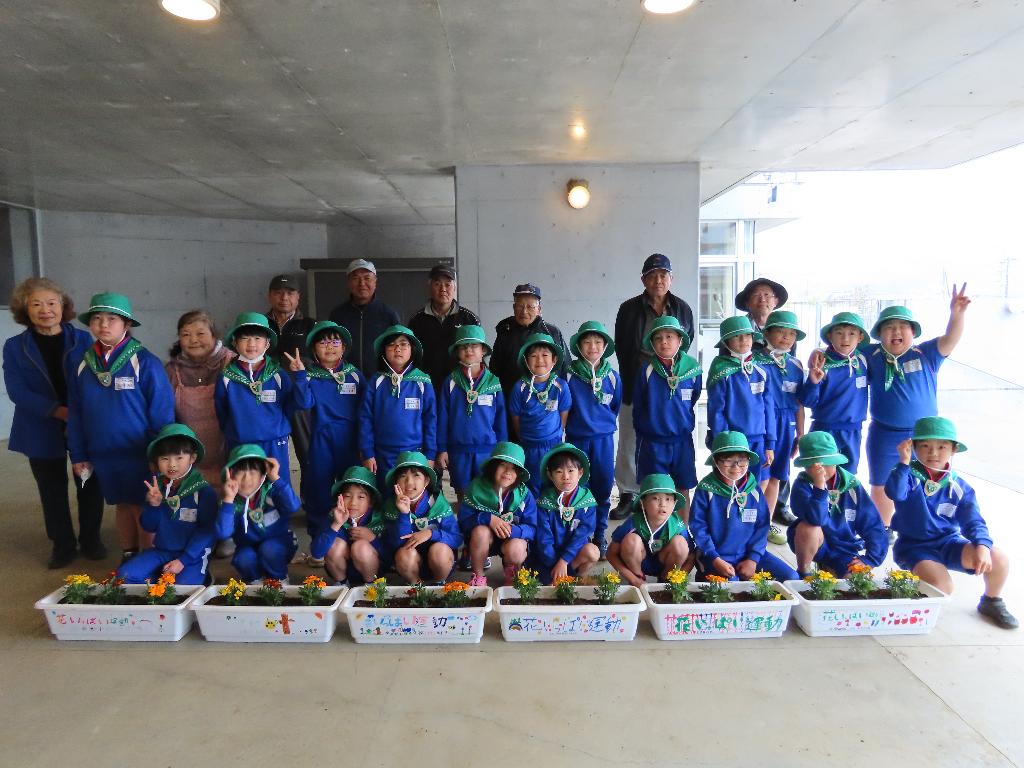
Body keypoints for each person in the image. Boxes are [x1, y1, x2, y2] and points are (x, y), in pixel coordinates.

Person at [3, 278, 105, 568]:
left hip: (84, 423)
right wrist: (59, 412)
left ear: (63, 307)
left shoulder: (84, 340)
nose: (45, 310)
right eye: (36, 304)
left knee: (90, 483)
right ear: (25, 309)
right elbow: (17, 391)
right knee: (51, 489)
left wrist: (80, 414)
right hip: (40, 425)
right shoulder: (15, 346)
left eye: (51, 303)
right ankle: (62, 545)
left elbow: (98, 380)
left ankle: (91, 539)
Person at [68, 292, 175, 563]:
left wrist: (159, 454)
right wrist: (79, 454)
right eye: (97, 318)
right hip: (103, 453)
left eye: (112, 319)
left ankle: (150, 558)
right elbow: (76, 413)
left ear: (126, 324)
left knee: (144, 505)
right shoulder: (84, 363)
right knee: (122, 504)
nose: (103, 324)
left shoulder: (145, 362)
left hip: (139, 453)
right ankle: (129, 552)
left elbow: (162, 413)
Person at [886, 417, 1016, 629]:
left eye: (942, 447)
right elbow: (895, 493)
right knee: (942, 587)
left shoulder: (958, 486)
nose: (933, 453)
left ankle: (991, 601)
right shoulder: (906, 475)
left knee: (998, 558)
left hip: (949, 543)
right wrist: (903, 462)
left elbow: (974, 520)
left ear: (954, 449)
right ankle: (910, 598)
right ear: (913, 447)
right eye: (925, 446)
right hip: (914, 547)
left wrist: (982, 545)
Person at [865, 285, 970, 539]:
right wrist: (818, 353)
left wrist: (957, 314)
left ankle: (926, 527)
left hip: (925, 435)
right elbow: (841, 350)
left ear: (913, 332)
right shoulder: (870, 354)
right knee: (881, 482)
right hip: (884, 433)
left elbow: (951, 338)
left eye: (903, 326)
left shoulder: (927, 353)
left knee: (928, 480)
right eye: (889, 327)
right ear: (879, 334)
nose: (896, 332)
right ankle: (883, 529)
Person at [612, 253, 695, 520]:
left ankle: (665, 495)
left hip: (669, 382)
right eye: (652, 275)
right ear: (643, 280)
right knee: (630, 439)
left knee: (664, 442)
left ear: (671, 278)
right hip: (637, 380)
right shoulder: (629, 309)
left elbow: (686, 342)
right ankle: (628, 494)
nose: (658, 280)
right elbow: (622, 347)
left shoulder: (682, 308)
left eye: (663, 275)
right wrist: (636, 377)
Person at [688, 431, 798, 582]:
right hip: (715, 557)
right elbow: (698, 527)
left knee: (791, 578)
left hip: (748, 554)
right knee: (733, 587)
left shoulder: (754, 489)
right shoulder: (706, 490)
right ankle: (705, 575)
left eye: (742, 460)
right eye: (728, 460)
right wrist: (715, 558)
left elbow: (762, 526)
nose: (736, 467)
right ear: (715, 460)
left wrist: (753, 558)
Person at [214, 312, 311, 482]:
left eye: (258, 338)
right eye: (245, 338)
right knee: (245, 490)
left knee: (277, 488)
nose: (252, 344)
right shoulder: (227, 377)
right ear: (235, 342)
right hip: (241, 445)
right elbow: (222, 413)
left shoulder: (278, 374)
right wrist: (237, 432)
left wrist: (301, 377)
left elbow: (301, 404)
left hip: (275, 443)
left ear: (267, 343)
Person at [117, 424, 218, 585]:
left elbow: (208, 532)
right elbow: (149, 527)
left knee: (181, 590)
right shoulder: (156, 488)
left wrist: (183, 560)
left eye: (179, 458)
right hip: (162, 550)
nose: (172, 465)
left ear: (192, 458)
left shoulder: (204, 492)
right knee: (125, 576)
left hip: (192, 555)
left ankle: (198, 575)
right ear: (157, 461)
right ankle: (163, 578)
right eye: (165, 458)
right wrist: (154, 505)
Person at [788, 431, 886, 577]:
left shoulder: (852, 485)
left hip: (844, 549)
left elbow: (872, 523)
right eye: (811, 465)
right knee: (809, 528)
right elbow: (817, 519)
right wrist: (819, 488)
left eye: (824, 463)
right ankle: (804, 572)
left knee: (855, 580)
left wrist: (871, 559)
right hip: (814, 543)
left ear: (835, 461)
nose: (819, 469)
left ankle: (832, 567)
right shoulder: (802, 484)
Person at [631, 316, 701, 516]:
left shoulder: (693, 369)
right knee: (654, 491)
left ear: (680, 340)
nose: (664, 342)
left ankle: (683, 531)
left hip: (682, 441)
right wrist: (647, 429)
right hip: (652, 442)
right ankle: (652, 531)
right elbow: (639, 404)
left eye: (669, 336)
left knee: (683, 487)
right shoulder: (646, 370)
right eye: (658, 338)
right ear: (652, 343)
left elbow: (694, 397)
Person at [300, 320, 363, 544]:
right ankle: (320, 535)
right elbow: (303, 402)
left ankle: (353, 534)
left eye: (335, 342)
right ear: (314, 349)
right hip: (321, 439)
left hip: (351, 440)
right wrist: (299, 376)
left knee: (352, 486)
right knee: (318, 486)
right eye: (323, 342)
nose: (329, 346)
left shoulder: (354, 375)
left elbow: (366, 410)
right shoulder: (310, 376)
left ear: (343, 347)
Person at [564, 321, 622, 556]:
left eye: (598, 342)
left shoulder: (613, 377)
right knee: (578, 488)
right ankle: (581, 536)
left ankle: (599, 534)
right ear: (579, 346)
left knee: (603, 486)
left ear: (605, 346)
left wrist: (601, 427)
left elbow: (615, 407)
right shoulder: (569, 375)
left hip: (603, 440)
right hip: (577, 440)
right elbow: (564, 408)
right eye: (587, 342)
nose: (592, 346)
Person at [358, 325, 437, 490]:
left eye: (403, 344)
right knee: (386, 493)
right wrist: (367, 452)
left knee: (411, 493)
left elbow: (431, 421)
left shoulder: (423, 382)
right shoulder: (376, 381)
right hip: (382, 454)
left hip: (414, 454)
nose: (397, 349)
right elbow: (365, 419)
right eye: (391, 344)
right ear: (383, 351)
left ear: (412, 349)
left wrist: (430, 454)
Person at [436, 324, 507, 500]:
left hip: (487, 451)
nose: (469, 350)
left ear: (483, 350)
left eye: (474, 346)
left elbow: (500, 421)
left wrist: (502, 451)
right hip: (458, 451)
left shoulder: (494, 383)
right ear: (457, 352)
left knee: (488, 494)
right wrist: (442, 449)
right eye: (463, 347)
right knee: (463, 495)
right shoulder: (450, 382)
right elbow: (442, 418)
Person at [165, 310, 235, 486]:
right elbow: (165, 416)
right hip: (189, 463)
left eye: (200, 333)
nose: (193, 340)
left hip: (231, 459)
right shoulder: (172, 370)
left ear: (214, 335)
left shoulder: (233, 363)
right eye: (186, 335)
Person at [705, 316, 775, 486]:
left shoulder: (761, 370)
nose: (744, 340)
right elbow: (716, 411)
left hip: (758, 439)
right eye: (737, 336)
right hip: (732, 443)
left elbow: (769, 409)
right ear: (726, 342)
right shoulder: (721, 370)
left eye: (748, 335)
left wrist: (770, 444)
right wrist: (725, 444)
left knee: (758, 484)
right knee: (730, 485)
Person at [217, 443, 300, 583]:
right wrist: (228, 500)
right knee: (243, 558)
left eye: (253, 472)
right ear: (230, 474)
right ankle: (255, 581)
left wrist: (276, 478)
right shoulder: (230, 501)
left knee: (269, 550)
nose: (247, 478)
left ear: (263, 474)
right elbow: (223, 533)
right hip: (248, 545)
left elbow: (293, 507)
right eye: (240, 472)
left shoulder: (272, 492)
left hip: (279, 542)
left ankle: (279, 579)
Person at [458, 442, 537, 587]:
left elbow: (532, 528)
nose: (507, 472)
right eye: (503, 465)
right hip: (484, 540)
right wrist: (487, 518)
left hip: (510, 539)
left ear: (519, 474)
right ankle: (478, 576)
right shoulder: (476, 488)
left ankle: (511, 574)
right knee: (480, 532)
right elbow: (463, 522)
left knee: (517, 549)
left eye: (514, 468)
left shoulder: (524, 494)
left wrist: (514, 531)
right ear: (493, 466)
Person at [800, 312, 870, 473]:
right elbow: (807, 401)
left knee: (848, 476)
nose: (845, 339)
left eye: (852, 334)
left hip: (853, 430)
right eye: (839, 333)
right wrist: (813, 382)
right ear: (829, 336)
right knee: (819, 475)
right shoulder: (821, 362)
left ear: (860, 337)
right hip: (824, 430)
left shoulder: (864, 359)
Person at [755, 310, 806, 518]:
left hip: (787, 424)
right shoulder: (755, 362)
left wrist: (800, 434)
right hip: (763, 423)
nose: (786, 337)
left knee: (777, 475)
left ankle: (766, 523)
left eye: (792, 333)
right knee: (760, 476)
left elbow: (799, 404)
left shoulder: (796, 365)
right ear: (766, 333)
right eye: (780, 331)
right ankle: (752, 524)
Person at [507, 333, 571, 497]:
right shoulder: (519, 387)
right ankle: (533, 513)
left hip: (554, 445)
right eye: (533, 356)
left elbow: (563, 415)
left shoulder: (561, 386)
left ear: (554, 360)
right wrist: (526, 438)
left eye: (545, 355)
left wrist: (554, 435)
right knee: (532, 486)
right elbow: (516, 418)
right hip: (529, 447)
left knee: (554, 486)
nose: (540, 360)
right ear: (526, 361)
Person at [382, 451, 461, 584]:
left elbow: (456, 538)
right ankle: (416, 588)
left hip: (439, 562)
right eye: (403, 476)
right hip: (411, 563)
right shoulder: (391, 506)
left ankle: (438, 584)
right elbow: (394, 544)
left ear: (426, 481)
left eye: (416, 475)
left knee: (440, 551)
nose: (409, 482)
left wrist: (430, 534)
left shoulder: (439, 504)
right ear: (396, 482)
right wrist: (404, 514)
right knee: (403, 555)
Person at [265, 274, 317, 469]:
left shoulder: (310, 325)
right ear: (270, 296)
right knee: (270, 457)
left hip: (299, 398)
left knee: (308, 454)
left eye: (289, 293)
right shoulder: (260, 325)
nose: (284, 297)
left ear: (298, 296)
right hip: (267, 398)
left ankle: (309, 488)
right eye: (278, 293)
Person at [607, 473, 692, 588]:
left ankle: (666, 580)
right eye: (655, 498)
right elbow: (611, 554)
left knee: (680, 544)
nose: (663, 504)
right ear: (643, 502)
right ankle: (638, 579)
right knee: (631, 540)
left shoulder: (677, 525)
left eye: (668, 499)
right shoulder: (633, 522)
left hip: (666, 564)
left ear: (674, 503)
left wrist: (679, 578)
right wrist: (631, 578)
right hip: (640, 563)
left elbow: (691, 556)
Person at [489, 283, 570, 402]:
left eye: (530, 307)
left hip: (548, 401)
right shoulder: (505, 332)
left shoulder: (552, 332)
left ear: (539, 309)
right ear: (514, 307)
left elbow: (564, 367)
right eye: (520, 306)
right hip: (512, 401)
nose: (524, 311)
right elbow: (495, 370)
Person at [533, 442, 600, 585]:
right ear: (550, 475)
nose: (566, 476)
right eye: (559, 472)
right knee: (540, 583)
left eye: (571, 470)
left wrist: (564, 561)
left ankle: (571, 577)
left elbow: (582, 535)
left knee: (593, 552)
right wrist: (555, 563)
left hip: (572, 555)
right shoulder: (544, 502)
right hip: (548, 557)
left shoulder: (587, 501)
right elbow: (544, 539)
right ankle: (562, 577)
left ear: (580, 473)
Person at [407, 264, 480, 391]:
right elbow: (411, 358)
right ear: (430, 286)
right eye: (437, 284)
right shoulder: (416, 320)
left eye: (448, 284)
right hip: (426, 387)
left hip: (460, 387)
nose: (443, 289)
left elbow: (479, 357)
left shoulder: (469, 319)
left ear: (455, 287)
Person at [309, 466, 385, 586]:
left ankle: (371, 587)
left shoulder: (379, 519)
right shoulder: (333, 516)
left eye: (361, 497)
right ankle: (342, 585)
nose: (353, 503)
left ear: (371, 501)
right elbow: (317, 553)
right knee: (335, 544)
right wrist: (336, 525)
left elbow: (389, 558)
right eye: (348, 496)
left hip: (373, 572)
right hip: (344, 572)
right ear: (340, 498)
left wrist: (373, 539)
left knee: (360, 546)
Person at [328, 259, 401, 376]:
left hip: (380, 380)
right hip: (345, 380)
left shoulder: (389, 314)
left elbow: (398, 352)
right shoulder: (337, 315)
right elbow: (329, 349)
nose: (362, 283)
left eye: (367, 278)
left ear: (375, 282)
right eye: (356, 278)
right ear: (348, 283)